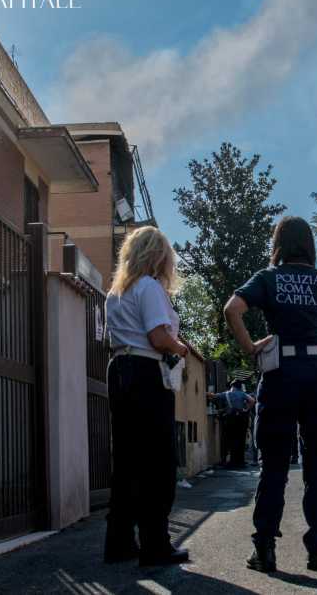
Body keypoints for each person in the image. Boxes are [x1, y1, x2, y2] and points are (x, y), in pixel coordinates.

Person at [224, 216, 317, 573]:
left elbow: (232, 309)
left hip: (281, 374)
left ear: (278, 245)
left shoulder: (268, 278)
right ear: (309, 245)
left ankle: (265, 550)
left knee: (274, 465)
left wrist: (251, 348)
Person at [103, 226, 189, 566]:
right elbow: (157, 336)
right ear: (158, 256)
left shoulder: (115, 292)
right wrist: (180, 347)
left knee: (126, 461)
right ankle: (156, 544)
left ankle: (119, 542)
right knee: (158, 462)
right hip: (146, 373)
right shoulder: (149, 287)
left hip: (119, 369)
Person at [208, 380, 255, 468]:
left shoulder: (225, 394)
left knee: (227, 439)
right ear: (239, 386)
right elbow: (252, 400)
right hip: (241, 420)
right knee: (240, 440)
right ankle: (239, 461)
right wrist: (246, 409)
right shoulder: (242, 394)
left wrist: (206, 393)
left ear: (231, 386)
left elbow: (213, 396)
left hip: (229, 420)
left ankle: (226, 461)